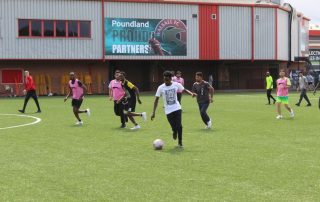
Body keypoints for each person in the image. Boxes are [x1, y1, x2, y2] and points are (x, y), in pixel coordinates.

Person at [151, 71, 194, 148]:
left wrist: (191, 93)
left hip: (177, 108)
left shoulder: (176, 84)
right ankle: (174, 131)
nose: (166, 81)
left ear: (171, 79)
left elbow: (184, 89)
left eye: (167, 79)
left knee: (179, 126)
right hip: (168, 110)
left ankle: (180, 143)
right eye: (164, 79)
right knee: (174, 127)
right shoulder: (161, 87)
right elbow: (156, 100)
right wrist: (153, 112)